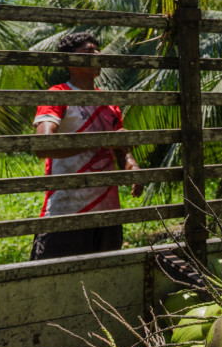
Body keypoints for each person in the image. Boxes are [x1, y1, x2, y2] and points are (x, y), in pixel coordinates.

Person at [29, 31, 142, 260]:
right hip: (66, 212)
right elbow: (43, 145)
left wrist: (132, 167)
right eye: (88, 52)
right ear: (69, 61)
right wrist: (102, 139)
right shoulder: (59, 95)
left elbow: (120, 150)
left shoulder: (109, 103)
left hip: (107, 215)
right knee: (52, 284)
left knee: (102, 283)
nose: (97, 54)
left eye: (97, 50)